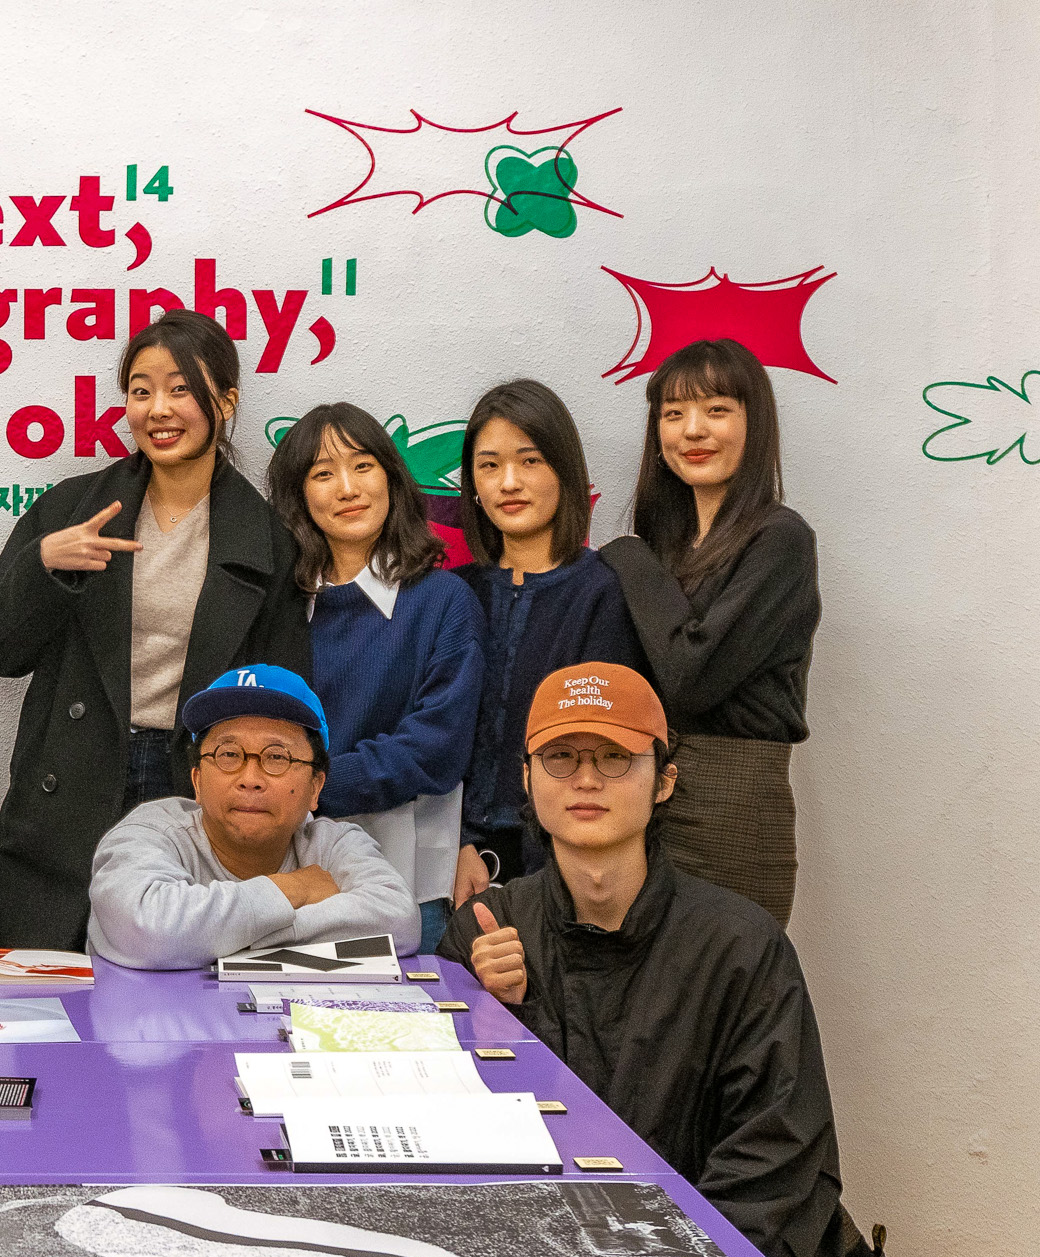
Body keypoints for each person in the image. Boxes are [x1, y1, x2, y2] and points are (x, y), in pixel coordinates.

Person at [439, 664, 917, 1257]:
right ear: (526, 776)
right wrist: (488, 1024)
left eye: (615, 757)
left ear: (664, 779)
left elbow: (773, 1165)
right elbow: (451, 1144)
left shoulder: (741, 947)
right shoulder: (485, 934)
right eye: (561, 756)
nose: (586, 778)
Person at [0, 309, 311, 949]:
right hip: (76, 771)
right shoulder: (74, 508)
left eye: (181, 389)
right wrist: (45, 564)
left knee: (179, 969)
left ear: (227, 401)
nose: (158, 409)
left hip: (195, 776)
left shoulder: (265, 538)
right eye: (141, 390)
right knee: (43, 972)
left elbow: (282, 695)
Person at [600, 339, 819, 925]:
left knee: (729, 974)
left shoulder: (780, 539)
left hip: (734, 803)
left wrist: (628, 556)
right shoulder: (667, 552)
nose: (693, 430)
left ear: (755, 423)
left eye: (717, 410)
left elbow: (690, 676)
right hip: (644, 794)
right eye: (673, 414)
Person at [267, 403, 485, 954]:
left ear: (391, 478)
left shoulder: (443, 601)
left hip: (407, 881)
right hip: (284, 877)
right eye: (323, 473)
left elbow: (436, 748)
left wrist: (307, 786)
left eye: (363, 466)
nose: (348, 488)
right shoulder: (279, 607)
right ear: (298, 496)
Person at [89, 665, 419, 970]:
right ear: (198, 781)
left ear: (315, 787)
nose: (250, 778)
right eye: (229, 754)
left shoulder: (333, 845)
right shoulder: (149, 832)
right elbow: (149, 929)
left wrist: (211, 937)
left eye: (276, 756)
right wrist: (293, 888)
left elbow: (399, 922)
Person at [451, 379, 643, 892]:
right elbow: (436, 731)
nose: (509, 482)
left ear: (565, 470)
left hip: (563, 860)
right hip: (451, 857)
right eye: (489, 466)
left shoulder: (603, 591)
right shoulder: (453, 593)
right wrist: (457, 842)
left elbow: (600, 745)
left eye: (530, 461)